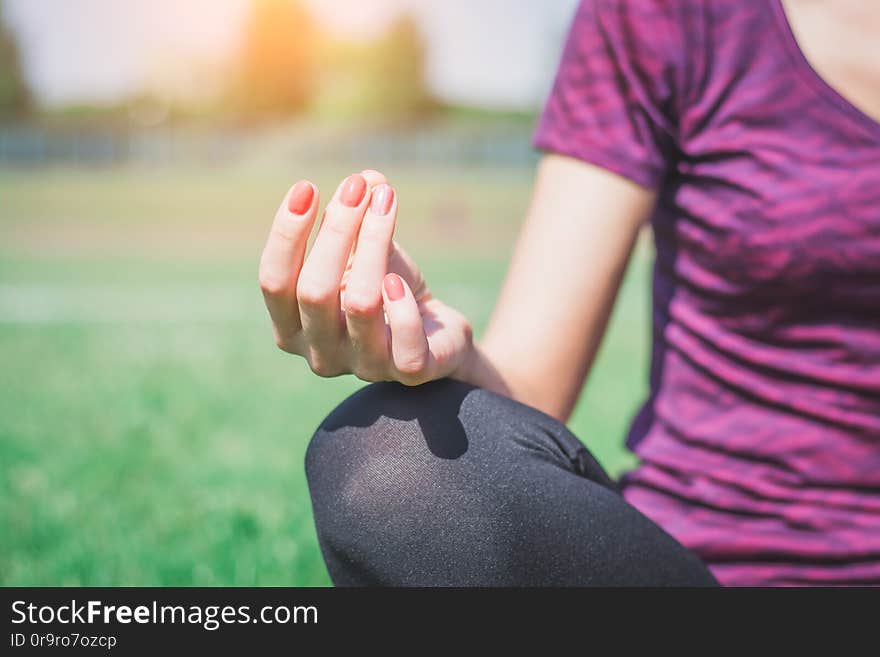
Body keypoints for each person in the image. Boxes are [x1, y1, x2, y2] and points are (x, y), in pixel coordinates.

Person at [259, 0, 880, 586]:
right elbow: (530, 387)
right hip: (698, 576)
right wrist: (442, 346)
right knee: (391, 460)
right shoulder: (667, 14)